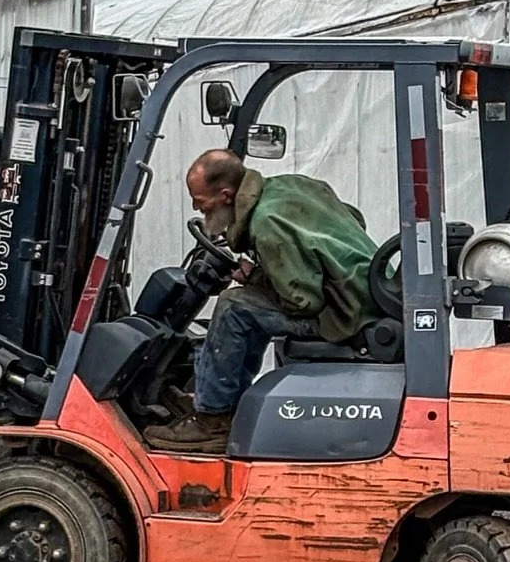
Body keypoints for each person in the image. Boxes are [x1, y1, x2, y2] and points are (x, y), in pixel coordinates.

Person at [143, 148, 378, 453]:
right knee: (249, 304)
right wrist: (269, 270)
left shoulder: (266, 223)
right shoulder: (291, 185)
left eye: (201, 203)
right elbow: (354, 219)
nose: (196, 208)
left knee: (233, 307)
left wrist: (257, 279)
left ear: (227, 195)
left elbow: (302, 302)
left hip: (343, 315)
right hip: (361, 296)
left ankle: (212, 420)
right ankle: (227, 401)